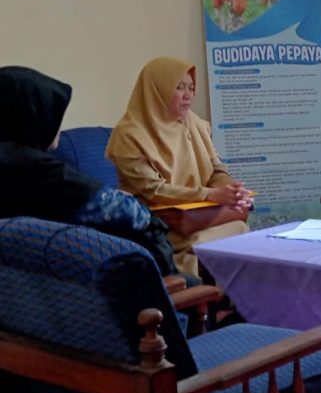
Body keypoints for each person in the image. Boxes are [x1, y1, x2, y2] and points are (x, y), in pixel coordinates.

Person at [0, 65, 183, 279]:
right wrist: (128, 202)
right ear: (33, 114)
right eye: (53, 113)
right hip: (92, 289)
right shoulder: (41, 171)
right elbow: (126, 212)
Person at [107, 57, 251, 276]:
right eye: (179, 87)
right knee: (217, 240)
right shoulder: (129, 135)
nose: (188, 96)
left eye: (191, 88)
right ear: (157, 90)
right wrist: (210, 195)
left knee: (239, 229)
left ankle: (228, 300)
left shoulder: (193, 122)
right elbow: (153, 190)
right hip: (160, 222)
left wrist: (231, 189)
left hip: (198, 214)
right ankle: (194, 286)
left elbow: (215, 167)